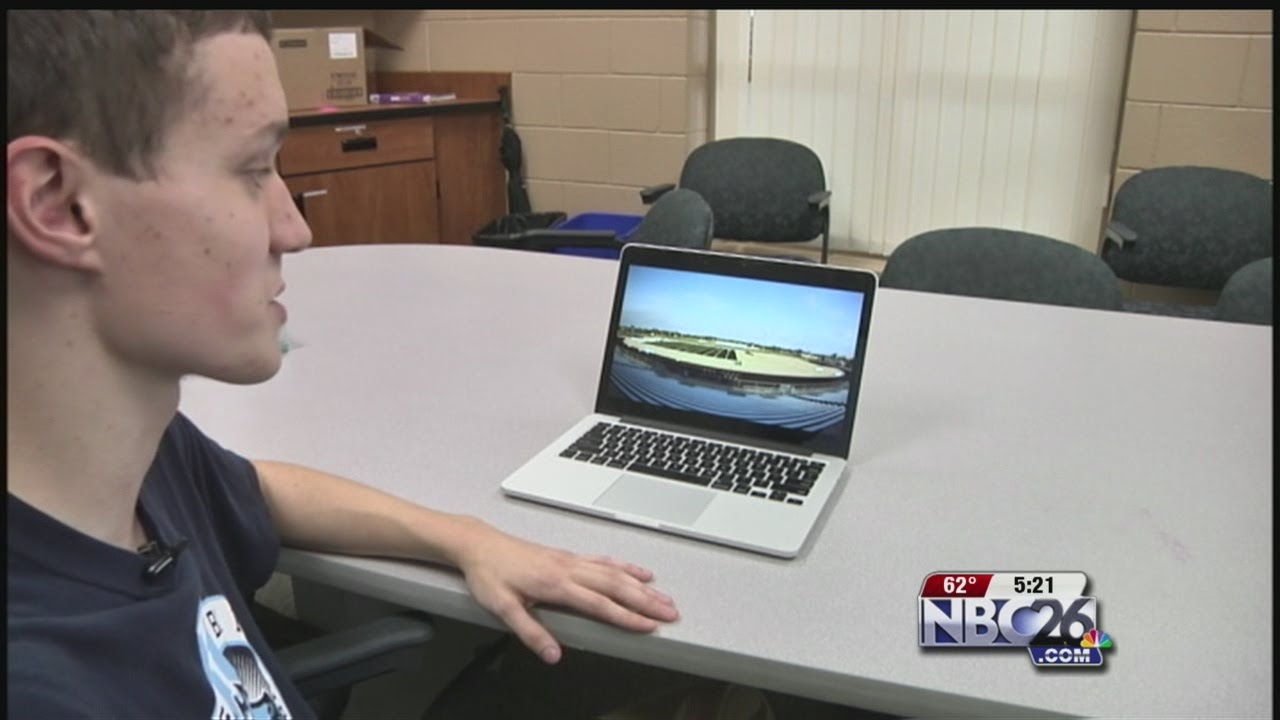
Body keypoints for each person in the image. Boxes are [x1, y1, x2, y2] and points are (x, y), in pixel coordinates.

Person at [6, 11, 682, 718]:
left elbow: (254, 489)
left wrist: (467, 538)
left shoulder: (135, 462)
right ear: (59, 203)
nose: (295, 227)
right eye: (251, 169)